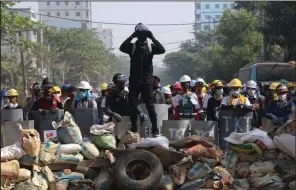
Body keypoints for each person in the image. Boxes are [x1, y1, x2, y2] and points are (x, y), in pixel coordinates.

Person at [119, 23, 165, 137]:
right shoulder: (132, 46)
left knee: (150, 106)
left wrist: (152, 37)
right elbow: (121, 47)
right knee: (133, 105)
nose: (141, 36)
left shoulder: (150, 46)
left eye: (143, 34)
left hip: (147, 81)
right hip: (134, 80)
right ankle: (134, 127)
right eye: (139, 34)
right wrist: (132, 36)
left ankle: (155, 129)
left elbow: (162, 50)